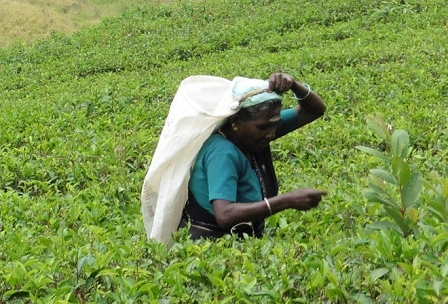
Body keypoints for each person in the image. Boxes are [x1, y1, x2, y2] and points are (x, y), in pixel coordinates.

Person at [178, 72, 327, 239]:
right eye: (264, 127)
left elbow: (315, 110)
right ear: (235, 123)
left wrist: (294, 85)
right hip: (213, 243)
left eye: (275, 124)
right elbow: (225, 215)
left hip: (245, 239)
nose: (271, 134)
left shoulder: (258, 131)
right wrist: (287, 200)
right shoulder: (222, 152)